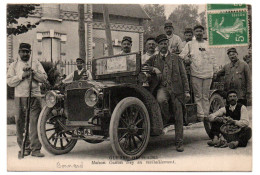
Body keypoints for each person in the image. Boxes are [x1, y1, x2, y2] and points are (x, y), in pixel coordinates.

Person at [144, 34, 190, 152]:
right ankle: (167, 117)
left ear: (168, 44)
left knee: (179, 115)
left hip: (177, 90)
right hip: (162, 88)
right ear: (158, 46)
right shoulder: (153, 59)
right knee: (161, 100)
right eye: (161, 44)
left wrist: (186, 91)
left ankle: (179, 142)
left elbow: (184, 75)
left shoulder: (176, 58)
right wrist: (154, 69)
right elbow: (143, 66)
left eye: (165, 43)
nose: (163, 46)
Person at [7, 43, 47, 157]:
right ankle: (24, 148)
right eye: (23, 51)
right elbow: (9, 82)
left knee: (35, 123)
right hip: (20, 96)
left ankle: (35, 149)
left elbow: (44, 78)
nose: (25, 54)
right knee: (20, 122)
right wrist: (22, 75)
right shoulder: (14, 65)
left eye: (27, 52)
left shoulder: (36, 63)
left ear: (30, 52)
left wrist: (33, 72)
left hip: (35, 96)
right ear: (19, 52)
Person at [180, 24, 218, 121]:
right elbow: (182, 56)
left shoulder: (208, 44)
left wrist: (215, 70)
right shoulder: (190, 44)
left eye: (200, 31)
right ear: (194, 33)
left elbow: (213, 58)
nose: (199, 33)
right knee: (198, 95)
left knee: (205, 95)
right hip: (196, 73)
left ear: (203, 32)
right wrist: (187, 58)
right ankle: (200, 115)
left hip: (208, 73)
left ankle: (206, 115)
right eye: (197, 31)